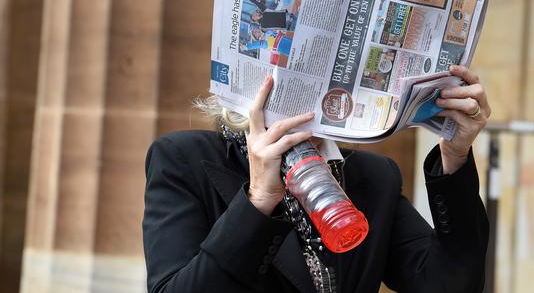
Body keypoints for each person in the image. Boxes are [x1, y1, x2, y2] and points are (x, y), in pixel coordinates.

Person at [143, 65, 491, 293]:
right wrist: (259, 200)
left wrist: (455, 157)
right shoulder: (184, 159)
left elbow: (449, 284)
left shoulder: (372, 176)